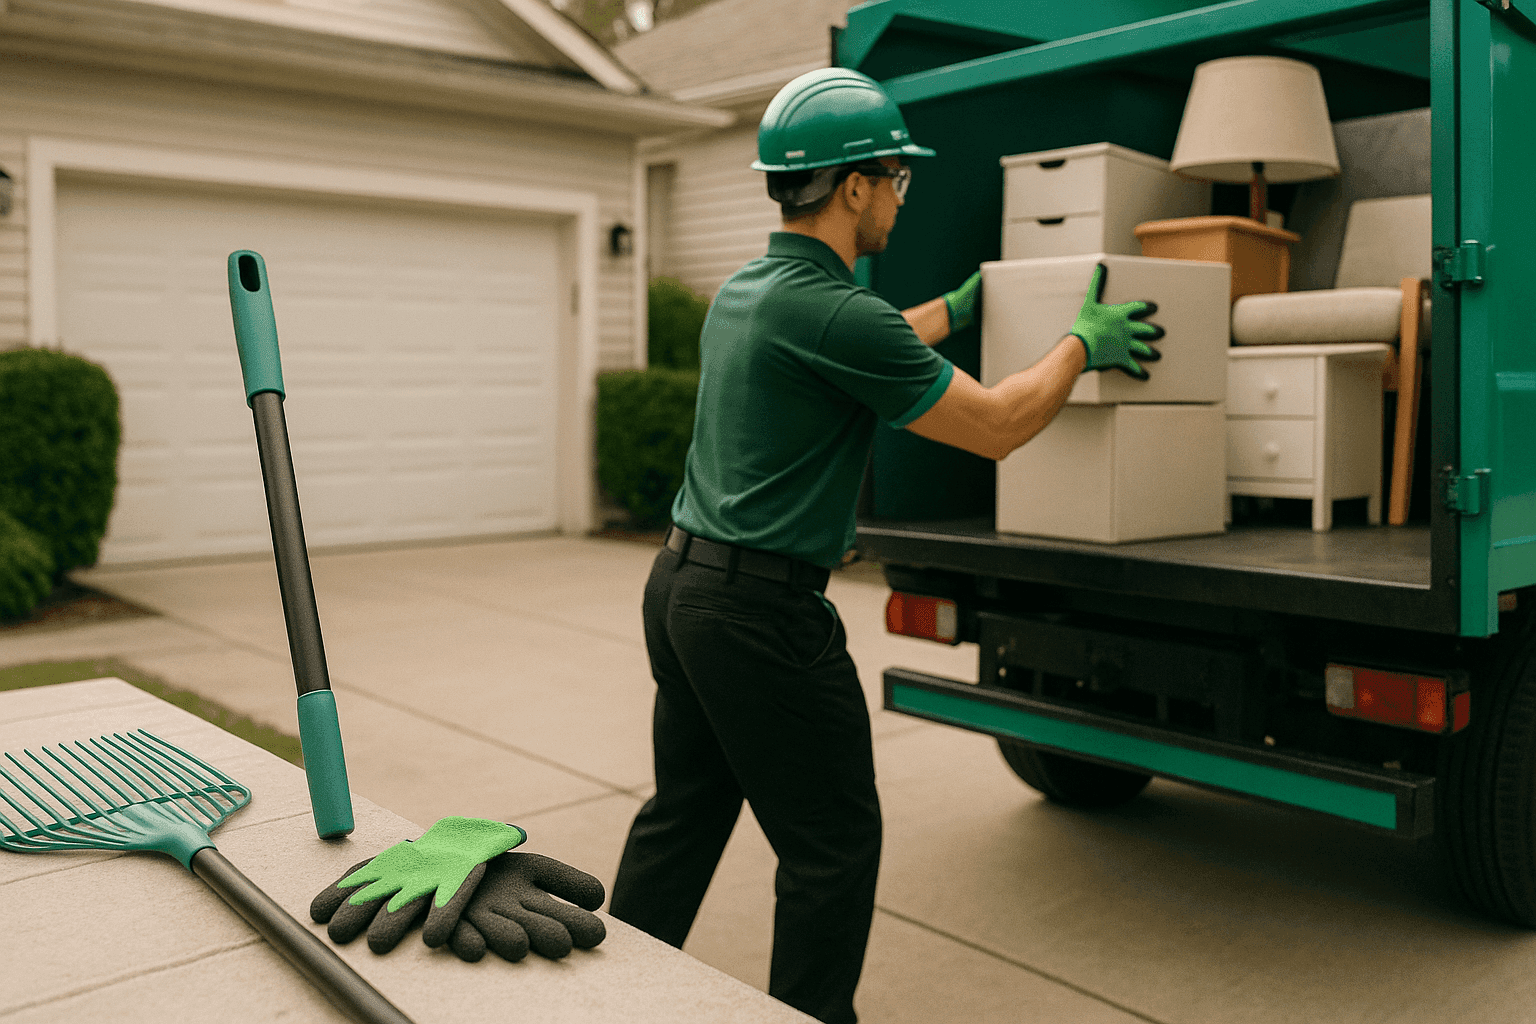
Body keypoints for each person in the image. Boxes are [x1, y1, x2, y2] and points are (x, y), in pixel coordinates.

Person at [607, 68, 1163, 1024]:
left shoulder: (751, 293)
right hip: (762, 615)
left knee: (684, 816)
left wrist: (954, 308)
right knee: (832, 845)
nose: (902, 196)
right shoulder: (836, 311)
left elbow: (856, 347)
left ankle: (603, 1000)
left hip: (682, 589)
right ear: (853, 185)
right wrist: (1080, 343)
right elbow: (992, 423)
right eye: (896, 178)